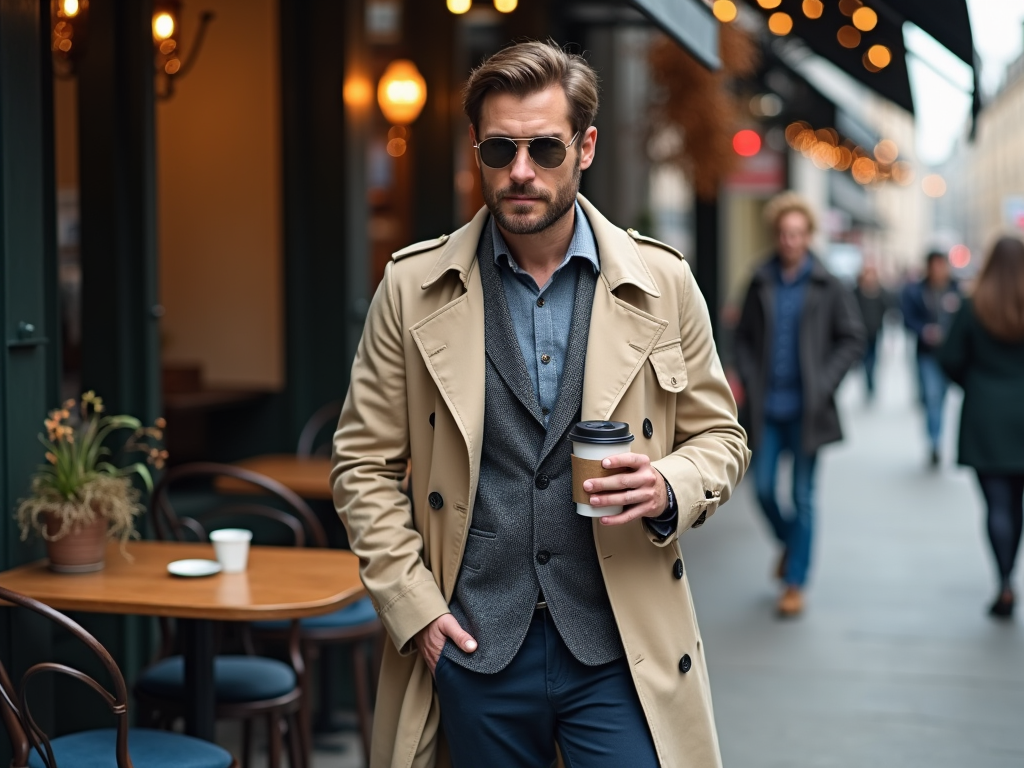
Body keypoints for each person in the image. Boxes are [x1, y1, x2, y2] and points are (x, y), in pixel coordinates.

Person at [332, 41, 750, 768]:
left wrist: (668, 485)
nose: (520, 171)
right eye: (500, 149)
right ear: (476, 151)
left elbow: (720, 436)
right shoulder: (411, 288)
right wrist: (417, 609)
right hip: (473, 647)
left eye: (545, 148)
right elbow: (362, 466)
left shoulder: (664, 281)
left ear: (586, 147)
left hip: (622, 642)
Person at [734, 192, 865, 617]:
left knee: (804, 494)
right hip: (766, 406)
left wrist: (825, 383)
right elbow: (742, 337)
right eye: (784, 234)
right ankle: (793, 545)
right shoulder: (759, 278)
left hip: (810, 408)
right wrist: (749, 377)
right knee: (764, 487)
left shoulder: (828, 283)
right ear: (776, 235)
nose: (790, 241)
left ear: (808, 236)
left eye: (798, 234)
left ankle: (795, 583)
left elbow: (852, 337)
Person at [939, 236, 1024, 619]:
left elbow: (950, 357)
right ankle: (1009, 574)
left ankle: (1004, 580)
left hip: (985, 417)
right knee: (1016, 503)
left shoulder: (974, 306)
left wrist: (975, 385)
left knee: (997, 505)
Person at [901, 251, 962, 466]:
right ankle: (934, 441)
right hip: (927, 353)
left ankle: (936, 435)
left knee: (941, 397)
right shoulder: (916, 290)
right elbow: (907, 318)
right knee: (932, 397)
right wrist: (924, 330)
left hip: (951, 354)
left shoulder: (957, 290)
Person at [853, 263, 894, 401]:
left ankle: (871, 384)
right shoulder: (857, 292)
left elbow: (887, 308)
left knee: (872, 361)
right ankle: (868, 382)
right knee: (864, 361)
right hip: (860, 333)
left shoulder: (880, 292)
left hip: (875, 332)